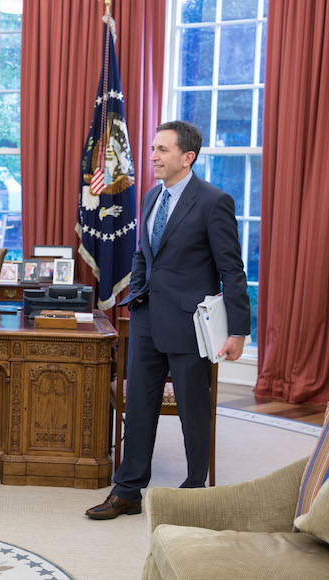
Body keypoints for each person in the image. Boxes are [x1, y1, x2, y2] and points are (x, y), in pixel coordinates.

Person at [86, 121, 250, 520]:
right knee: (138, 407)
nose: (153, 156)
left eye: (162, 150)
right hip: (145, 320)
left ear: (187, 157)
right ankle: (127, 491)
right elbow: (143, 254)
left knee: (194, 411)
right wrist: (135, 294)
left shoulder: (214, 201)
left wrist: (239, 331)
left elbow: (233, 269)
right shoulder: (149, 198)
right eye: (154, 148)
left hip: (191, 326)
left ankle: (194, 494)